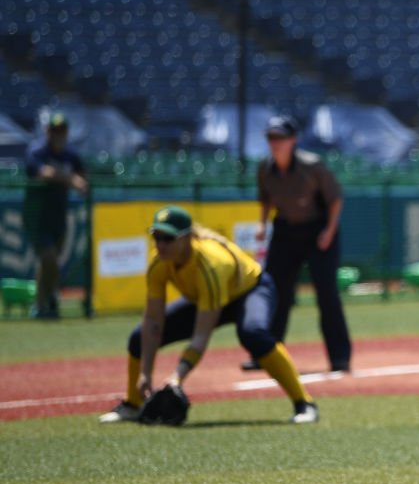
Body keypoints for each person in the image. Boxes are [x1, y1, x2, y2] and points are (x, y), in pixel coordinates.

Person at [99, 205, 320, 424]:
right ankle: (133, 404)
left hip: (250, 291)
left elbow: (201, 337)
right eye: (156, 236)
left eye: (168, 238)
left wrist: (177, 377)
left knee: (253, 333)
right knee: (139, 337)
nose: (161, 244)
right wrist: (145, 373)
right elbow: (153, 322)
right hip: (204, 297)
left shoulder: (209, 265)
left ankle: (304, 403)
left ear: (186, 238)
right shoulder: (159, 263)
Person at [240, 115, 352, 373]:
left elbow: (335, 199)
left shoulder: (312, 166)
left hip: (318, 231)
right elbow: (265, 199)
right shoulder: (265, 168)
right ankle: (265, 354)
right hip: (286, 231)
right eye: (271, 138)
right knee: (273, 292)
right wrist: (261, 224)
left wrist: (329, 231)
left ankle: (339, 358)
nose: (275, 143)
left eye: (280, 138)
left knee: (326, 294)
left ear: (294, 140)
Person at [23, 112, 88, 319]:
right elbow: (43, 172)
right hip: (37, 215)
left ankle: (42, 306)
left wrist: (76, 180)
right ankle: (50, 299)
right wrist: (70, 179)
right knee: (49, 258)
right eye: (54, 130)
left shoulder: (70, 155)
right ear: (47, 131)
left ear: (67, 133)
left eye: (62, 130)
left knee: (49, 262)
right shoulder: (37, 151)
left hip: (59, 215)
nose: (58, 134)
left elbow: (83, 177)